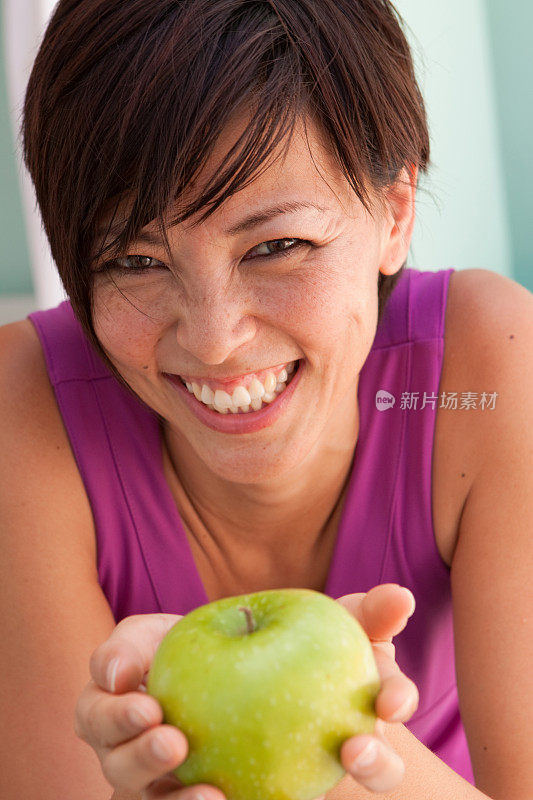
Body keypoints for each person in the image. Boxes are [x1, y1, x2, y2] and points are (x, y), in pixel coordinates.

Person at [0, 1, 531, 799]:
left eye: (278, 246)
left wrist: (353, 748)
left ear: (394, 210)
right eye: (135, 262)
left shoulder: (488, 368)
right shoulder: (22, 410)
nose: (214, 340)